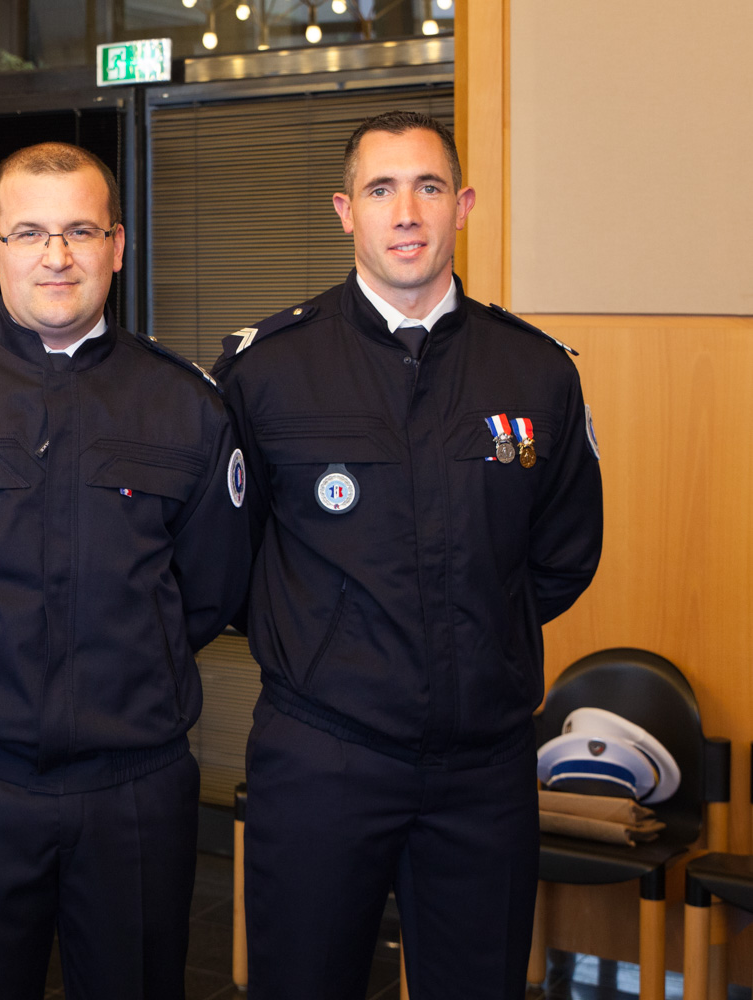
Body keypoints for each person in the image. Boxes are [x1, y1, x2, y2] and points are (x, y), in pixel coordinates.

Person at [0, 142, 250, 1000]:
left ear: (118, 244)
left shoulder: (187, 403)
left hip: (133, 790)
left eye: (79, 231)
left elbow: (210, 588)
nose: (56, 256)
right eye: (30, 232)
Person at [213, 111, 604, 999]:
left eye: (428, 187)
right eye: (381, 189)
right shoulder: (268, 368)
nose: (407, 212)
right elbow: (223, 559)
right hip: (321, 755)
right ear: (344, 211)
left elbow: (565, 548)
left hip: (483, 767)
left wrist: (477, 632)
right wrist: (320, 641)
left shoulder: (534, 370)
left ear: (461, 205)